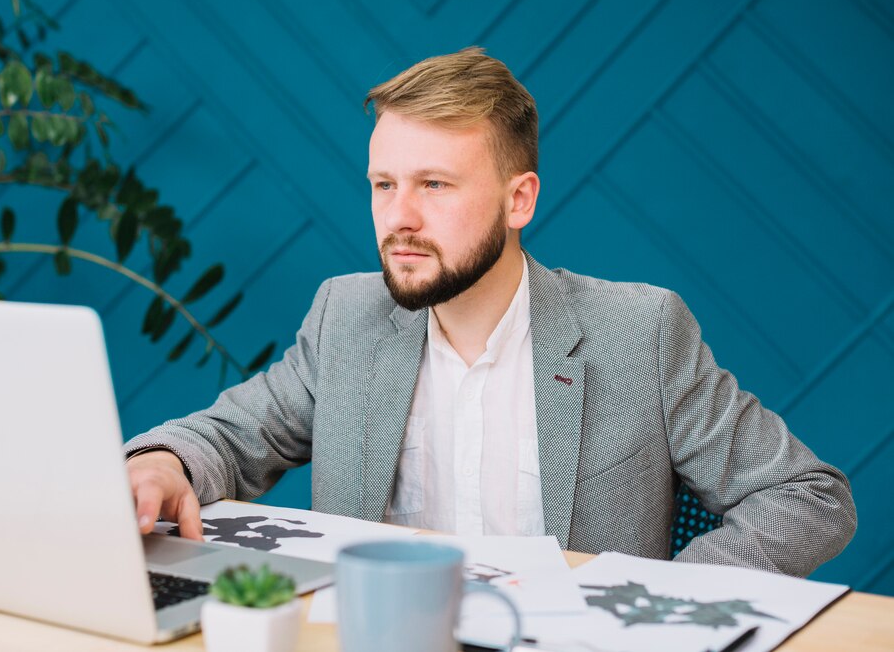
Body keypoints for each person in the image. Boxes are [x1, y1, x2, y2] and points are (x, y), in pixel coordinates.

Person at [124, 47, 855, 576]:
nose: (398, 218)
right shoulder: (345, 316)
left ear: (519, 200)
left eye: (434, 185)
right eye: (383, 185)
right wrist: (163, 461)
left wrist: (662, 594)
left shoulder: (641, 332)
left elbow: (808, 496)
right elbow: (230, 435)